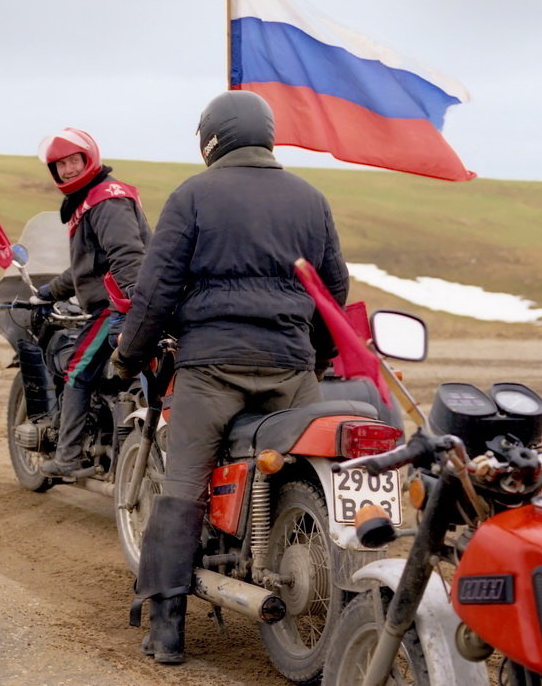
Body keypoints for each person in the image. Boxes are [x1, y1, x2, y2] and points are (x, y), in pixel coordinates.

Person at [112, 90, 349, 664]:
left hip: (213, 370)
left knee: (183, 488)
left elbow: (157, 288)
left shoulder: (193, 195)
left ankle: (167, 628)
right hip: (291, 372)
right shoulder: (310, 198)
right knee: (323, 481)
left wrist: (128, 354)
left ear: (211, 138)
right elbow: (333, 290)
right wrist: (313, 358)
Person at [33, 127, 151, 479]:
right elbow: (87, 269)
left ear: (89, 158)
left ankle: (68, 458)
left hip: (115, 308)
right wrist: (47, 291)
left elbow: (129, 256)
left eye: (73, 161)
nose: (68, 170)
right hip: (115, 304)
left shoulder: (105, 199)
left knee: (75, 370)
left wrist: (132, 309)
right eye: (61, 165)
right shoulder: (91, 200)